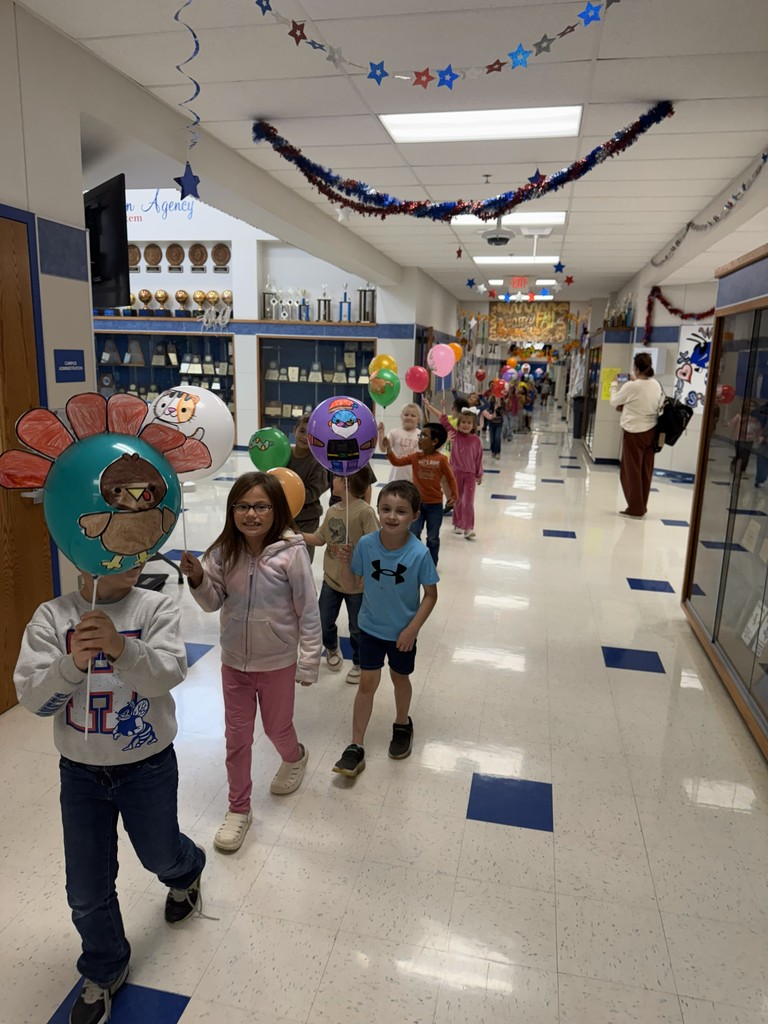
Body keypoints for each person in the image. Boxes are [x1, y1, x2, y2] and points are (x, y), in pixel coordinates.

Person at [13, 565, 205, 1024]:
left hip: (148, 766)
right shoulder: (50, 616)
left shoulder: (154, 606)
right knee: (84, 890)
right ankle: (105, 964)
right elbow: (34, 701)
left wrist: (122, 648)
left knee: (160, 855)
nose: (125, 558)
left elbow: (168, 675)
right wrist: (71, 664)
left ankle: (187, 870)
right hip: (80, 773)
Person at [181, 471, 321, 853]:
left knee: (278, 729)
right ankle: (239, 808)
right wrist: (197, 579)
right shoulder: (224, 553)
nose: (251, 514)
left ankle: (295, 757)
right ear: (232, 511)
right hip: (234, 665)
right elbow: (213, 602)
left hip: (277, 663)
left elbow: (308, 611)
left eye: (261, 506)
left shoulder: (292, 554)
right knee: (237, 739)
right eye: (242, 506)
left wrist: (309, 662)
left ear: (276, 511)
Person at [331, 480, 439, 777]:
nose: (392, 516)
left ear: (415, 516)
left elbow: (431, 595)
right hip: (370, 628)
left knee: (399, 678)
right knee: (367, 683)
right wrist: (344, 564)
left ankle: (402, 723)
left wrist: (412, 629)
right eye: (386, 509)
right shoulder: (366, 545)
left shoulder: (419, 553)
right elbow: (353, 587)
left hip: (402, 632)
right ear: (377, 510)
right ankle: (355, 745)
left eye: (401, 511)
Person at [302, 468, 380, 683]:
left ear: (345, 483)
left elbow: (375, 545)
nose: (332, 481)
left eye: (336, 478)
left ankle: (358, 661)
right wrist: (296, 535)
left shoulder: (365, 512)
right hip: (332, 580)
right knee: (323, 620)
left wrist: (359, 558)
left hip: (356, 584)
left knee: (357, 627)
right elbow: (319, 539)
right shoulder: (333, 511)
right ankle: (331, 648)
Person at [381, 421, 458, 566]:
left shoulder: (441, 459)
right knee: (414, 535)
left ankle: (431, 564)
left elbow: (450, 478)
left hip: (435, 505)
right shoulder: (415, 456)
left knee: (433, 538)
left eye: (424, 435)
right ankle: (415, 561)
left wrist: (454, 496)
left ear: (434, 441)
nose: (419, 438)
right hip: (417, 505)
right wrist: (388, 449)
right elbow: (396, 462)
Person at [609, 352, 664, 519]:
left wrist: (613, 384)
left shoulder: (631, 386)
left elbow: (614, 401)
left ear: (636, 368)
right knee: (645, 470)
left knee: (631, 470)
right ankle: (642, 505)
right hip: (651, 431)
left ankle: (635, 507)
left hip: (634, 432)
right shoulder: (655, 384)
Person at [424, 399, 483, 540]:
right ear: (459, 423)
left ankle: (468, 527)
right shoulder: (454, 434)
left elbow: (478, 458)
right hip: (455, 472)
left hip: (470, 475)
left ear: (473, 425)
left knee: (468, 501)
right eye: (463, 422)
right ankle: (457, 522)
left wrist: (479, 473)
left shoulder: (476, 440)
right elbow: (443, 420)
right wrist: (440, 406)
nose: (466, 425)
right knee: (457, 499)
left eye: (469, 423)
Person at [288, 413, 329, 562]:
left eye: (311, 434)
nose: (305, 437)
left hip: (307, 520)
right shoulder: (283, 455)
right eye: (302, 431)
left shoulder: (318, 463)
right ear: (294, 431)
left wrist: (287, 494)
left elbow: (313, 492)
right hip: (284, 518)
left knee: (301, 561)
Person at [377, 403, 421, 480]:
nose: (409, 417)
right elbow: (383, 449)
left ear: (418, 419)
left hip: (415, 478)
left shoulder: (421, 435)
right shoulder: (394, 433)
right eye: (406, 415)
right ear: (401, 416)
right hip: (396, 477)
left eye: (413, 416)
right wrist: (381, 432)